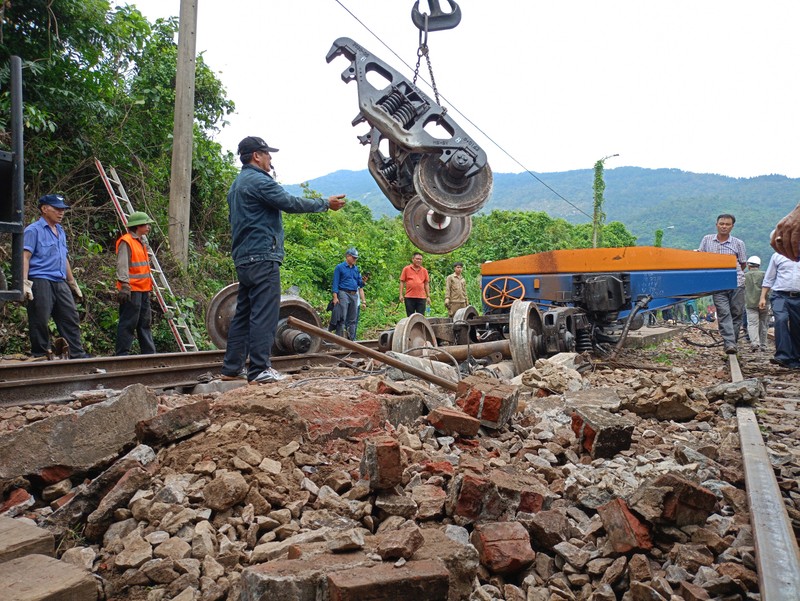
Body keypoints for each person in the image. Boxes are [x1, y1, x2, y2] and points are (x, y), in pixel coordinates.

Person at [220, 136, 346, 384]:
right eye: (267, 154)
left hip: (244, 257)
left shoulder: (237, 184)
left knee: (244, 314)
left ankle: (232, 368)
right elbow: (290, 202)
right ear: (256, 155)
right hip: (263, 255)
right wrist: (324, 203)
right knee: (264, 313)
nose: (270, 159)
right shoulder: (258, 181)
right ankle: (259, 369)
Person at [22, 194, 90, 359]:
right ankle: (41, 354)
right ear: (44, 209)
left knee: (70, 316)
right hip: (40, 279)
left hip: (60, 281)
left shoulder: (60, 231)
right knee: (40, 318)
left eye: (63, 210)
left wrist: (72, 282)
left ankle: (76, 353)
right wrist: (24, 282)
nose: (61, 213)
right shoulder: (33, 230)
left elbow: (63, 256)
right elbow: (25, 256)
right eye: (57, 209)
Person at [698, 214, 747, 354]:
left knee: (736, 313)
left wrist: (730, 275)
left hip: (737, 282)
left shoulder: (738, 243)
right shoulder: (707, 240)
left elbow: (743, 264)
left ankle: (732, 341)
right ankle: (730, 343)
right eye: (721, 223)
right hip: (717, 284)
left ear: (732, 226)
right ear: (716, 225)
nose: (724, 226)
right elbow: (701, 258)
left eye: (727, 224)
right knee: (724, 313)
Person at [115, 211, 157, 356]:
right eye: (146, 224)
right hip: (132, 290)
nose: (148, 227)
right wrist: (125, 285)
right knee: (128, 322)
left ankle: (149, 354)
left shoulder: (141, 242)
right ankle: (122, 354)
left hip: (143, 288)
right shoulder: (126, 241)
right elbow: (122, 265)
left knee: (144, 323)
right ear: (138, 226)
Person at [759, 252, 800, 368]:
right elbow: (769, 277)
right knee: (780, 320)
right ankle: (783, 356)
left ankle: (795, 358)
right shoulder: (778, 255)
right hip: (779, 295)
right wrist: (763, 297)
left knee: (797, 326)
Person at [331, 247, 365, 340]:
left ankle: (351, 340)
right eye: (353, 257)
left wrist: (363, 281)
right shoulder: (340, 267)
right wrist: (335, 297)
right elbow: (335, 283)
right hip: (343, 292)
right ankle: (340, 340)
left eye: (356, 258)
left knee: (353, 319)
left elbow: (359, 283)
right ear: (348, 256)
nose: (355, 259)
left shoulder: (356, 269)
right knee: (342, 317)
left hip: (354, 294)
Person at [743, 256, 768, 353]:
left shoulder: (745, 276)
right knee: (763, 324)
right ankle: (763, 344)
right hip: (764, 303)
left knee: (752, 323)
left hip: (750, 304)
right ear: (759, 265)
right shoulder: (764, 274)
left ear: (748, 266)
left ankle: (754, 343)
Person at [399, 252, 430, 317]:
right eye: (417, 259)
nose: (419, 260)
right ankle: (411, 327)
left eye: (420, 259)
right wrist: (401, 295)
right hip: (409, 297)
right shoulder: (406, 269)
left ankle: (420, 327)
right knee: (410, 317)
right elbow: (402, 282)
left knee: (421, 317)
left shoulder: (424, 270)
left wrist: (428, 296)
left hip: (421, 297)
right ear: (413, 259)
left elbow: (426, 283)